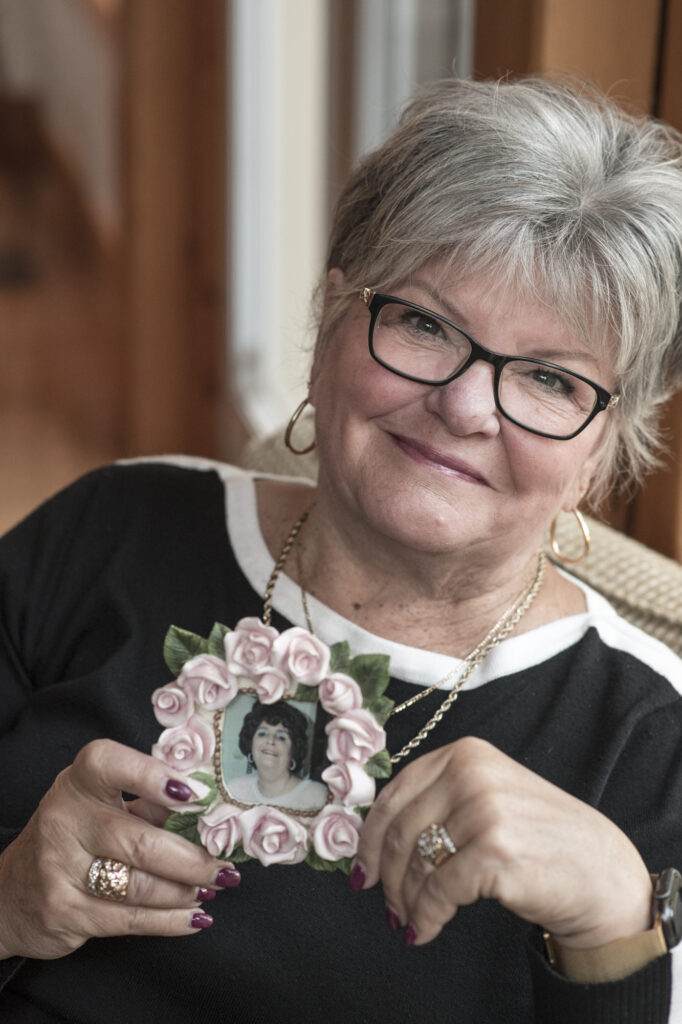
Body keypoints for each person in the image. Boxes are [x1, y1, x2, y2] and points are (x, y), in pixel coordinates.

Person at [1, 75, 682, 1023]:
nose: (464, 406)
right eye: (424, 323)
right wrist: (8, 902)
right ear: (331, 323)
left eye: (548, 380)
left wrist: (613, 922)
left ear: (600, 450)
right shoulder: (111, 528)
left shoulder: (651, 737)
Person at [225, 700, 328, 810]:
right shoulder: (235, 789)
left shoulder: (316, 796)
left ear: (294, 750)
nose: (270, 740)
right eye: (262, 734)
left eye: (281, 737)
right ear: (250, 743)